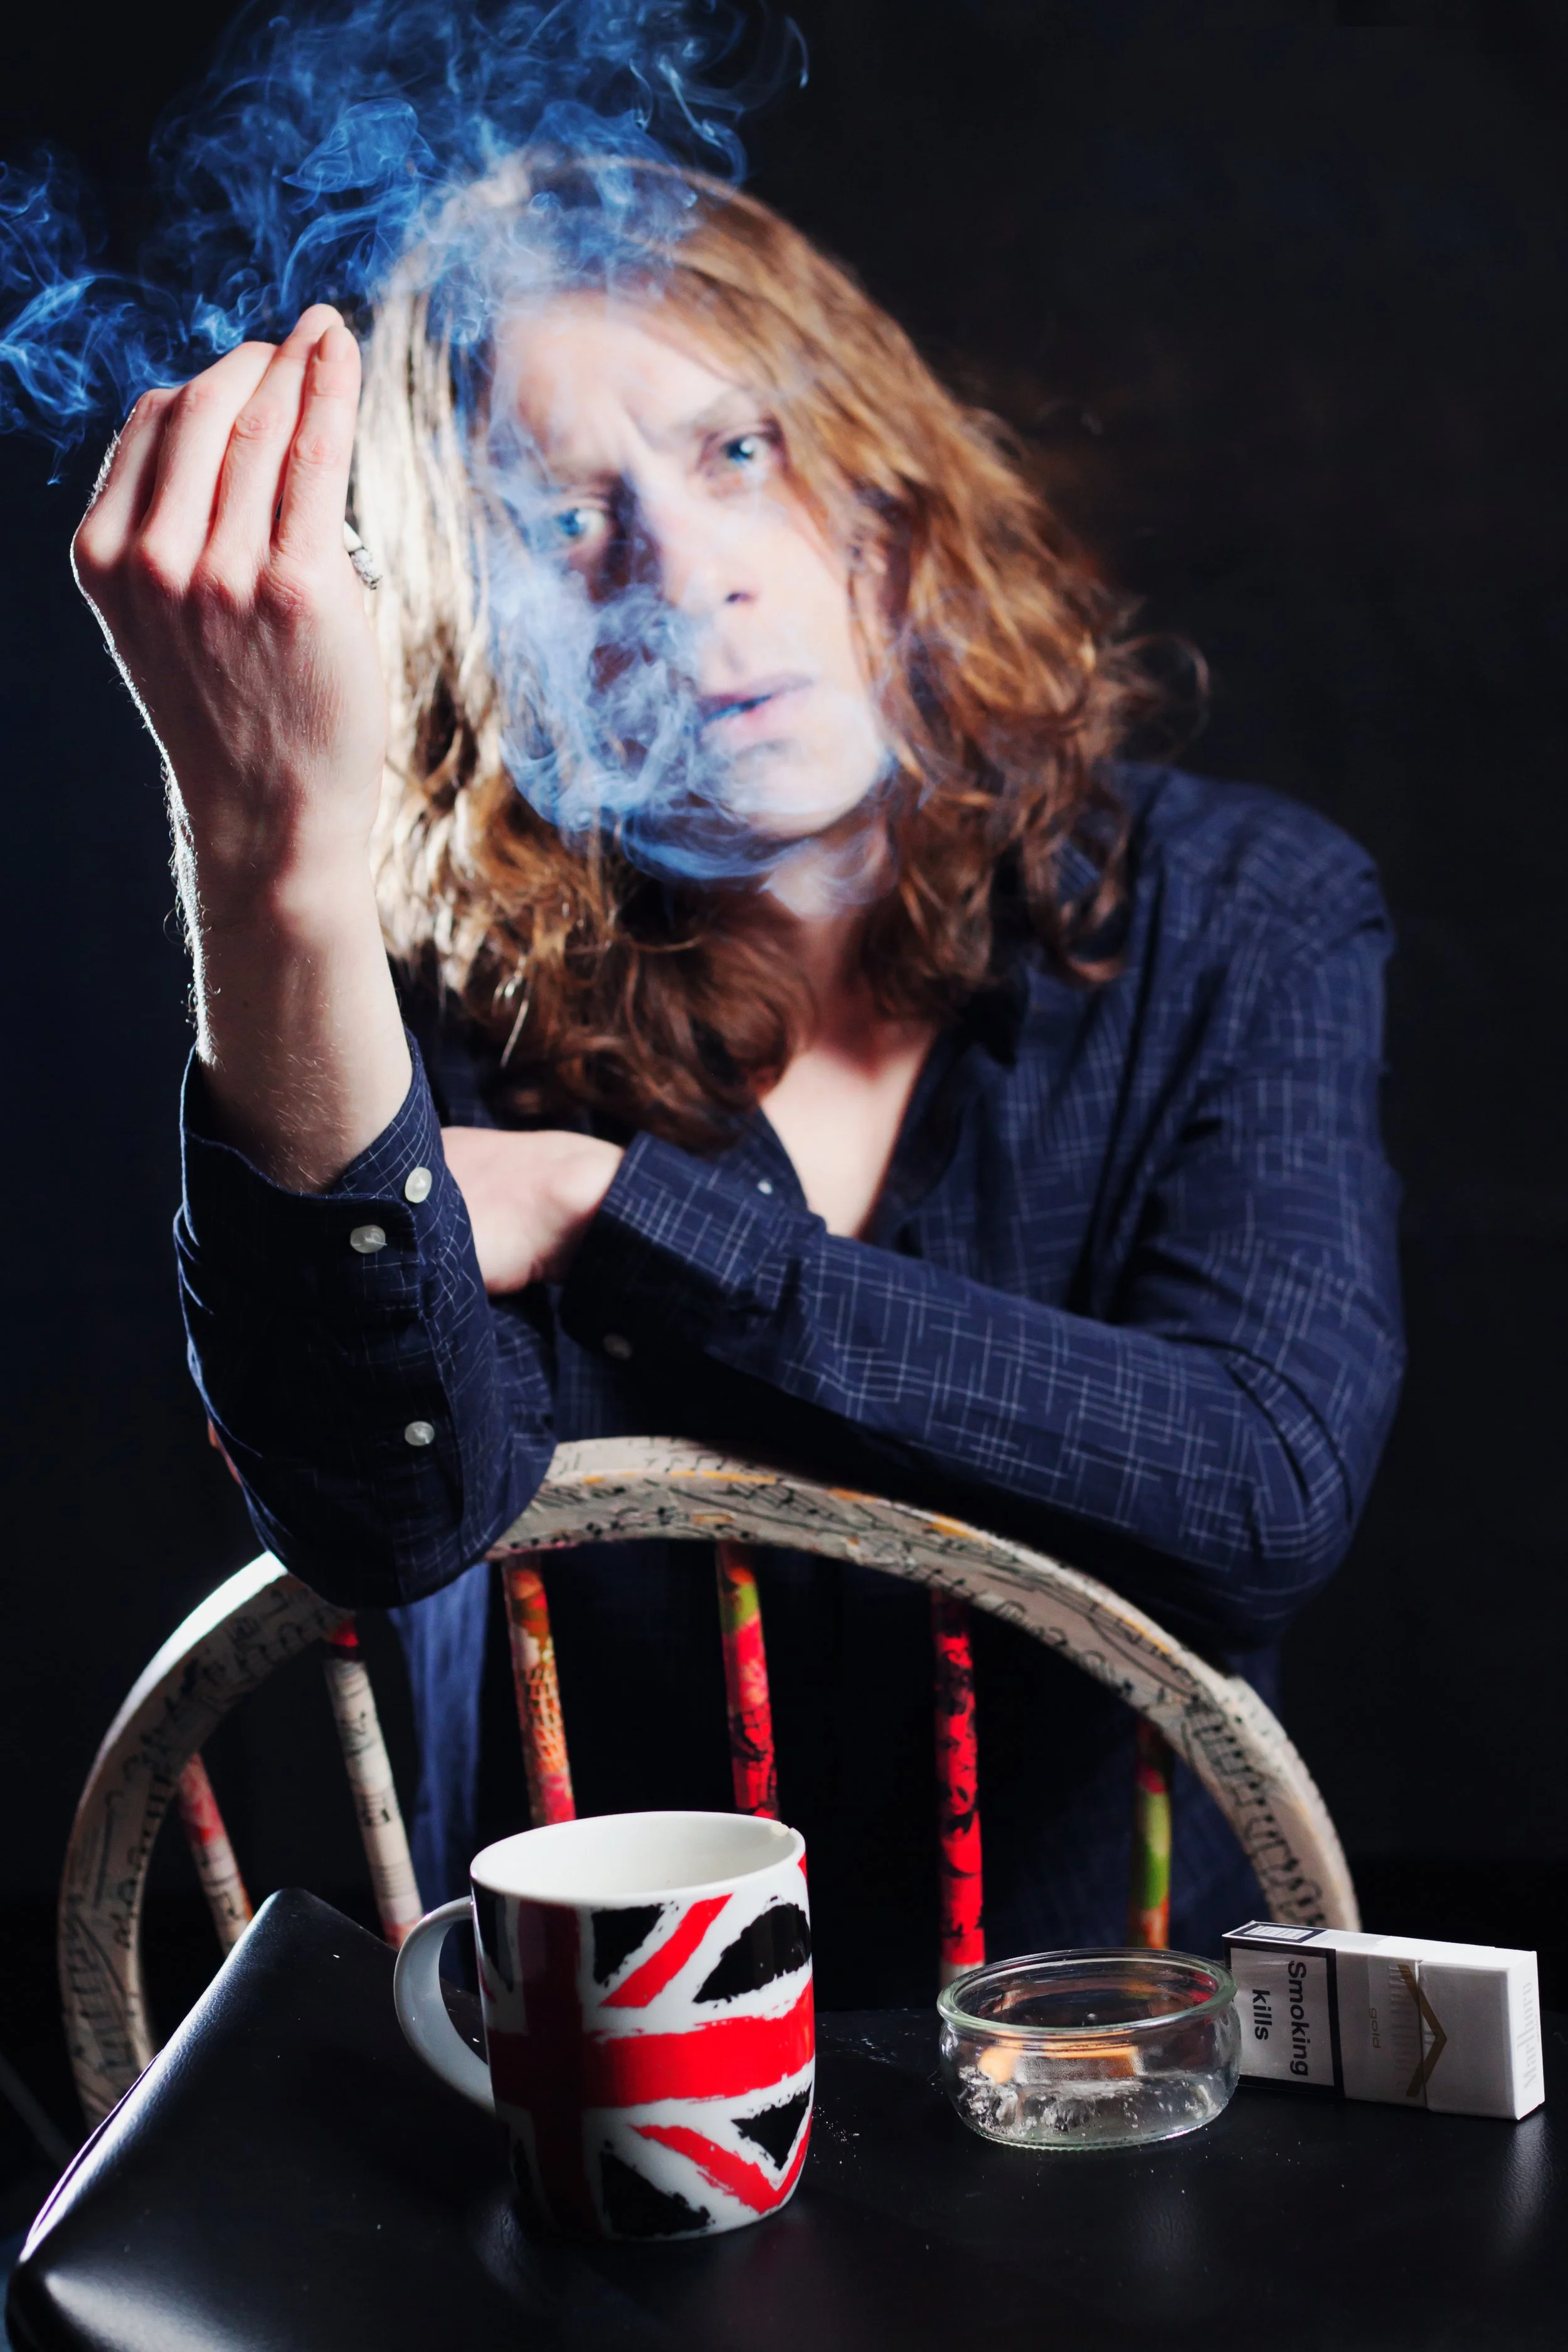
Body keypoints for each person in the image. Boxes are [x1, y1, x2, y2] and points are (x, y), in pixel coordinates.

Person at [71, 161, 1403, 2001]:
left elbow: (1261, 1489)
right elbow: (377, 1517)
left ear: (881, 481)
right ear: (469, 619)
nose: (683, 576)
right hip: (591, 2090)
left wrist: (613, 1210)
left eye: (737, 454)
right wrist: (261, 851)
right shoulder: (419, 995)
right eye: (556, 525)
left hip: (1104, 2080)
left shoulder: (1239, 909)